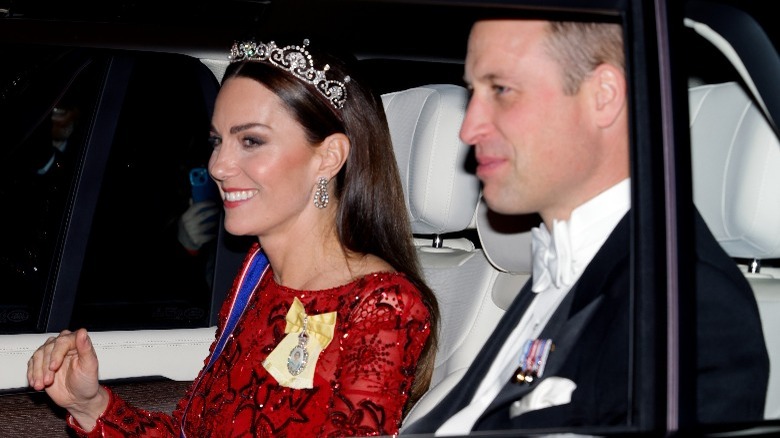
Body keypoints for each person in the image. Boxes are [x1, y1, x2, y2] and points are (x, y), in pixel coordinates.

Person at [27, 38, 439, 437]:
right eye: (217, 141)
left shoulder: (382, 305)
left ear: (327, 157)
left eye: (251, 141)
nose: (219, 165)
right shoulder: (258, 277)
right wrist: (90, 404)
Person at [401, 19, 769, 435]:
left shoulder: (691, 307)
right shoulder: (562, 268)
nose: (468, 129)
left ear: (603, 97)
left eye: (501, 90)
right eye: (472, 94)